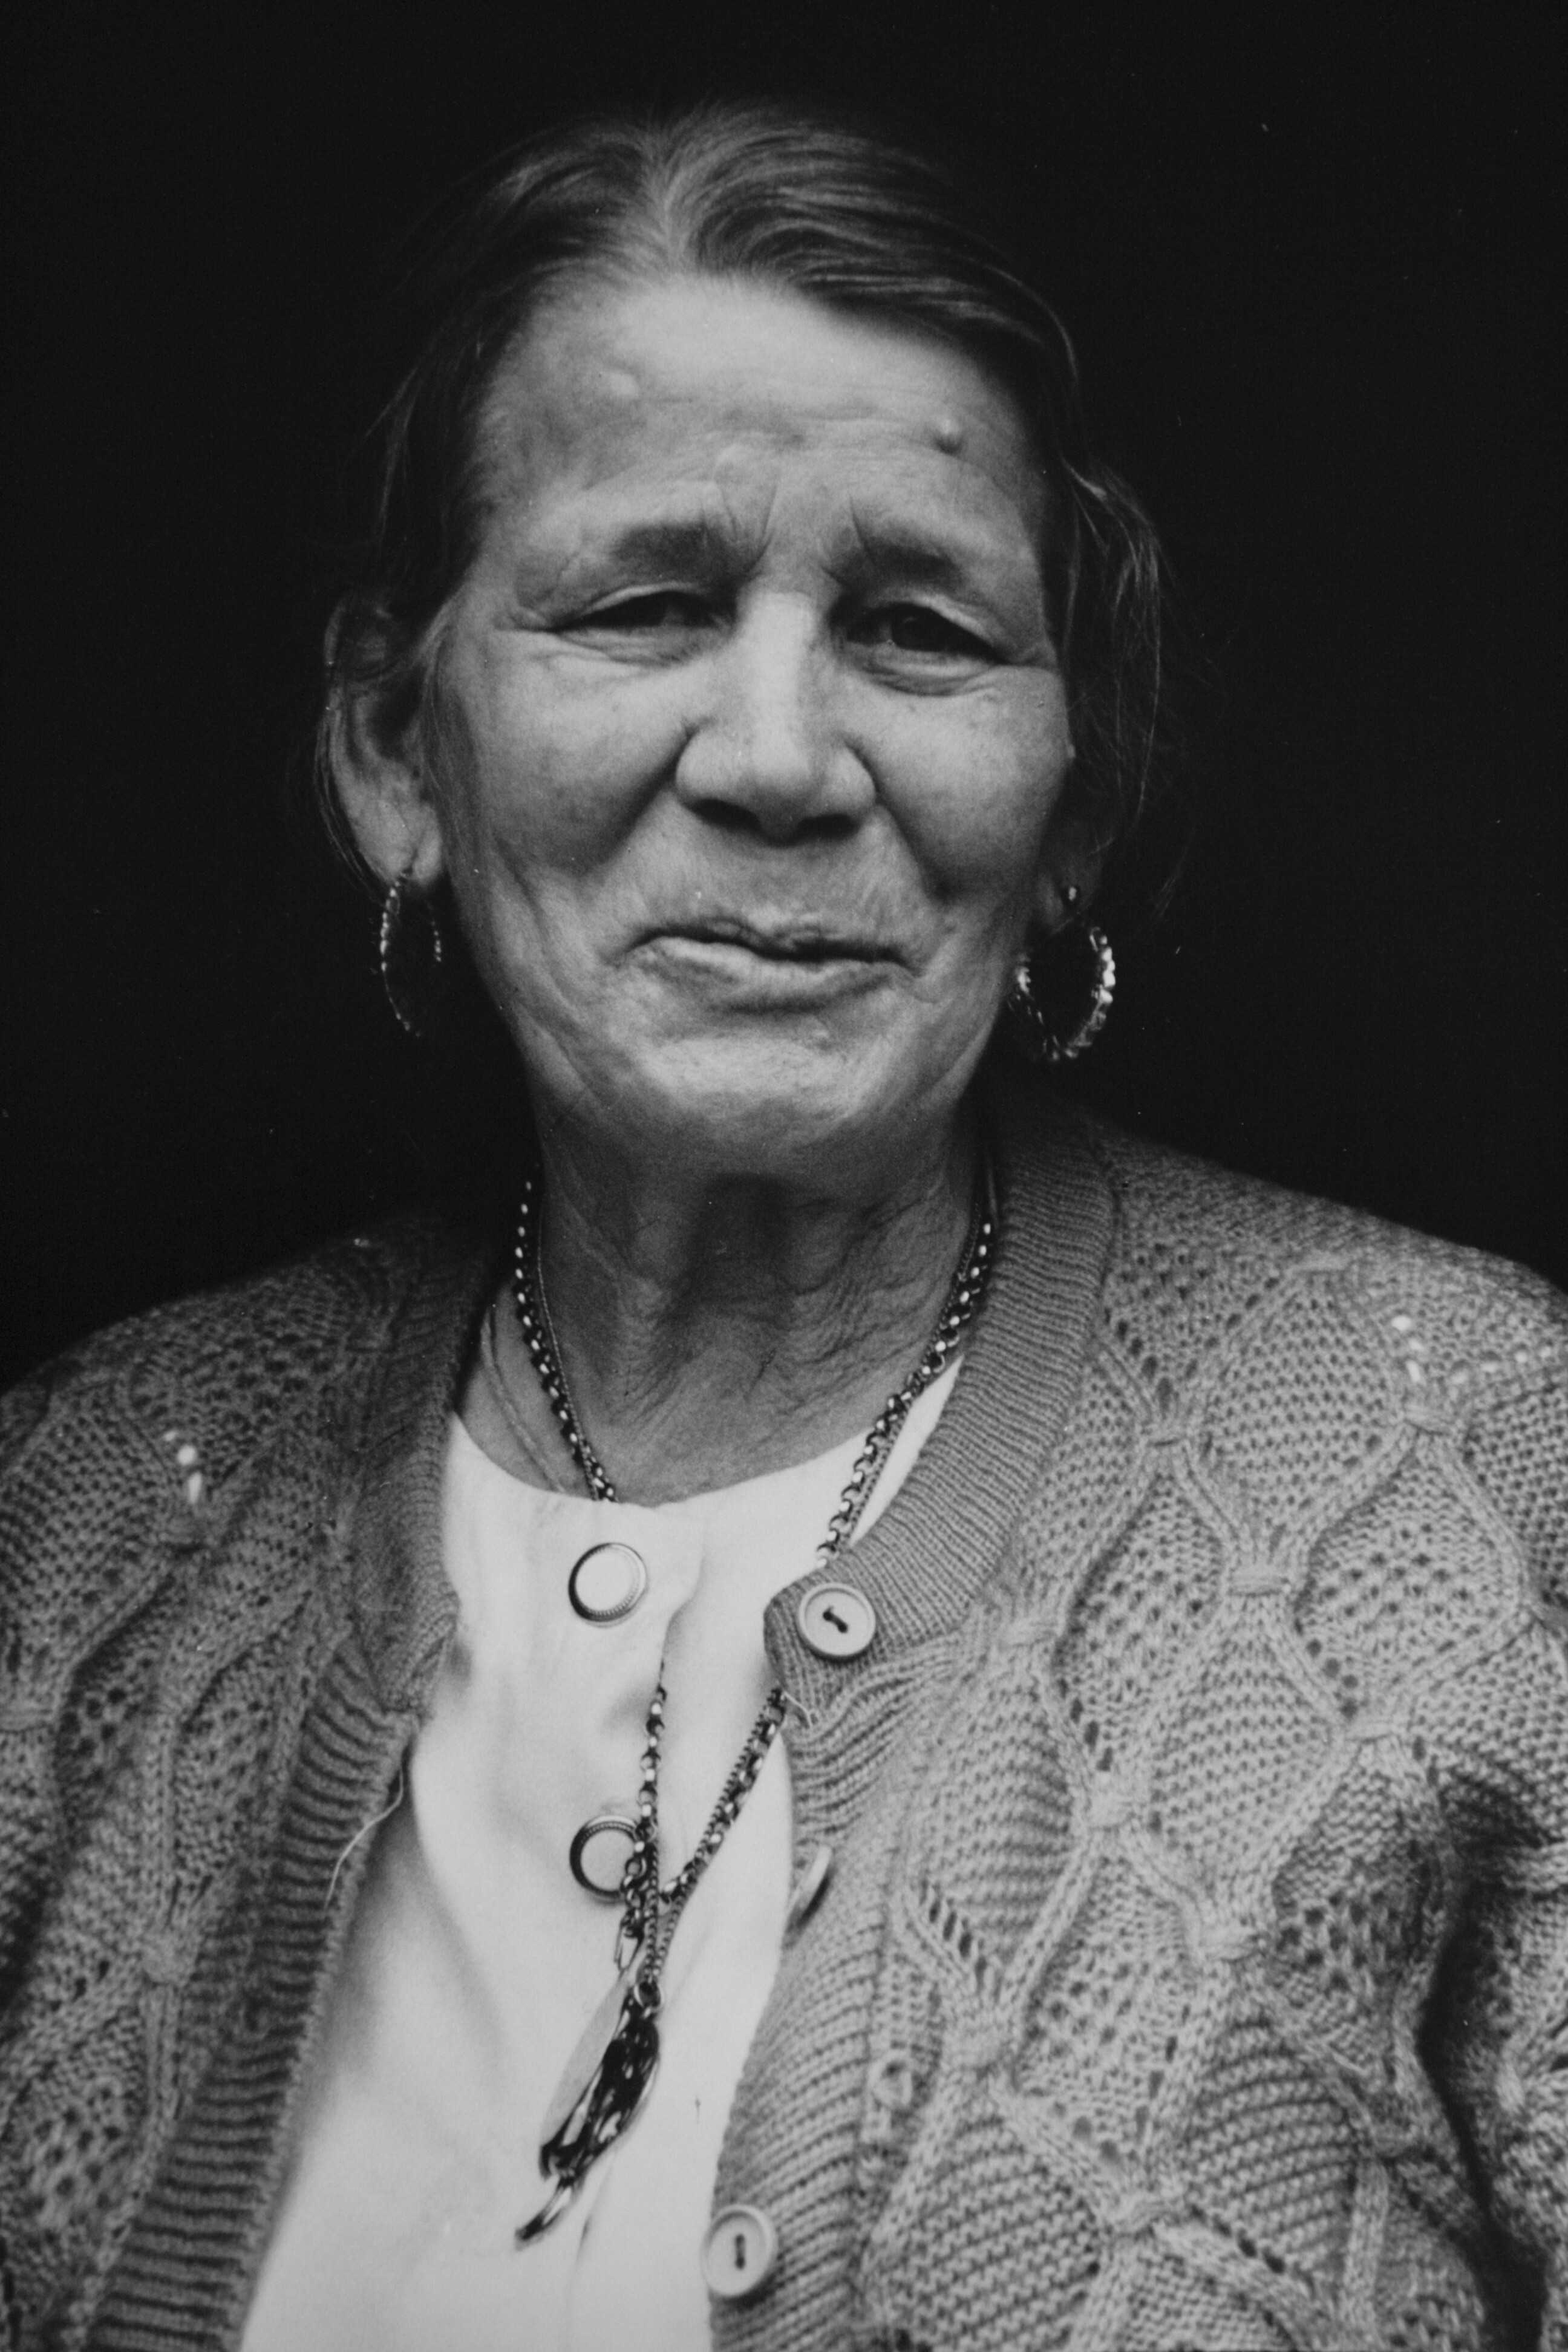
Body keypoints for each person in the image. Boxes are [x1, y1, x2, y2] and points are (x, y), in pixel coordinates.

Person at [1, 97, 1563, 2352]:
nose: (777, 758)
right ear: (394, 749)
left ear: (1081, 793)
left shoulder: (1477, 1467)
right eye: (645, 606)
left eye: (920, 632)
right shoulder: (82, 1510)